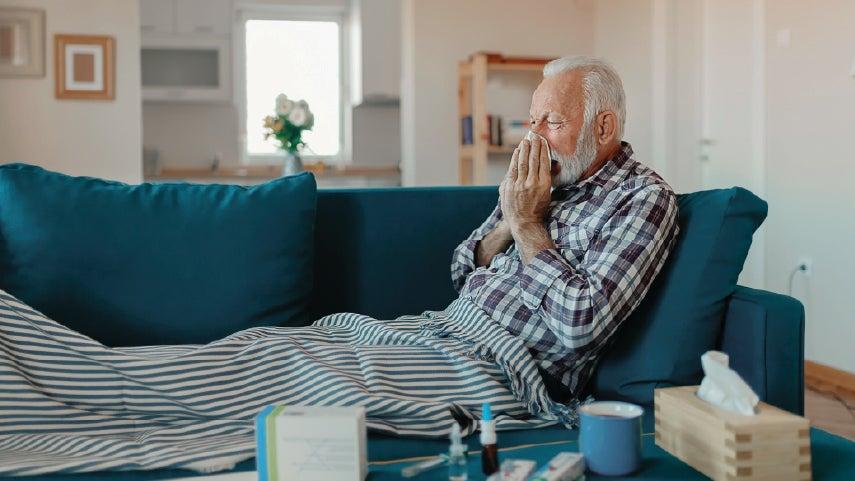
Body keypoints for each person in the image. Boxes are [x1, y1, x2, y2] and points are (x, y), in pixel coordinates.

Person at [451, 55, 680, 402]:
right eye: (533, 122)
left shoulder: (642, 198)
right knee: (335, 340)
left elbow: (582, 324)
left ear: (603, 127)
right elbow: (460, 271)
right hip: (447, 329)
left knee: (339, 393)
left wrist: (528, 224)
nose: (534, 139)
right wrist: (510, 222)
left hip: (501, 367)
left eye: (553, 122)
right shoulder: (537, 181)